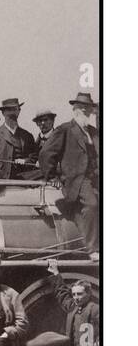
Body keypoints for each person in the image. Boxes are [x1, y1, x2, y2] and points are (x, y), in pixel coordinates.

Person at [38, 92, 100, 257]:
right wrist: (52, 177)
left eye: (88, 109)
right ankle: (93, 249)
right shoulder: (65, 130)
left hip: (96, 178)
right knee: (92, 205)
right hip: (77, 180)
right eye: (82, 108)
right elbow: (46, 153)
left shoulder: (94, 132)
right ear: (75, 110)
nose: (85, 112)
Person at [47, 260, 99, 346]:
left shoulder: (95, 309)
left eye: (79, 294)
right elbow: (62, 294)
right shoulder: (73, 308)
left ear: (88, 294)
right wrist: (56, 274)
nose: (76, 298)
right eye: (74, 294)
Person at [0, 97, 41, 180]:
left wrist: (25, 161)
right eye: (9, 110)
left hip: (22, 182)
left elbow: (34, 157)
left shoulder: (27, 136)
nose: (12, 113)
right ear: (3, 113)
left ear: (19, 111)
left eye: (15, 109)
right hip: (0, 180)